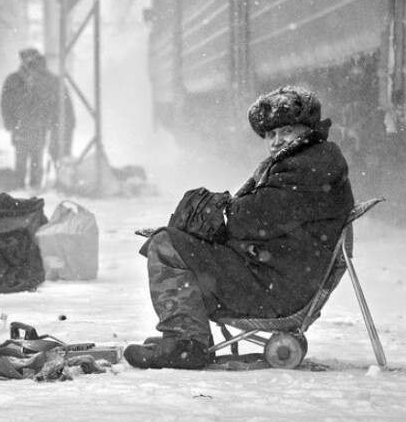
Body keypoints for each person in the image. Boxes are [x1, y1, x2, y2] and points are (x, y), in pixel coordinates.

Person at [125, 86, 355, 370]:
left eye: (285, 132)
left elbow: (248, 220)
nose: (276, 141)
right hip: (279, 277)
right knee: (176, 240)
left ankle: (187, 344)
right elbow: (255, 220)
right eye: (271, 135)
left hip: (276, 289)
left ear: (306, 130)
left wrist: (214, 213)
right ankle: (185, 336)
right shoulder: (312, 162)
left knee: (167, 244)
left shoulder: (307, 168)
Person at [0, 48, 75, 190]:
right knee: (26, 159)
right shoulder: (15, 80)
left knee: (33, 157)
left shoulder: (21, 79)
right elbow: (6, 103)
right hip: (25, 125)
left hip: (36, 125)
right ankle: (24, 185)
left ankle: (29, 185)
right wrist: (10, 122)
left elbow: (6, 103)